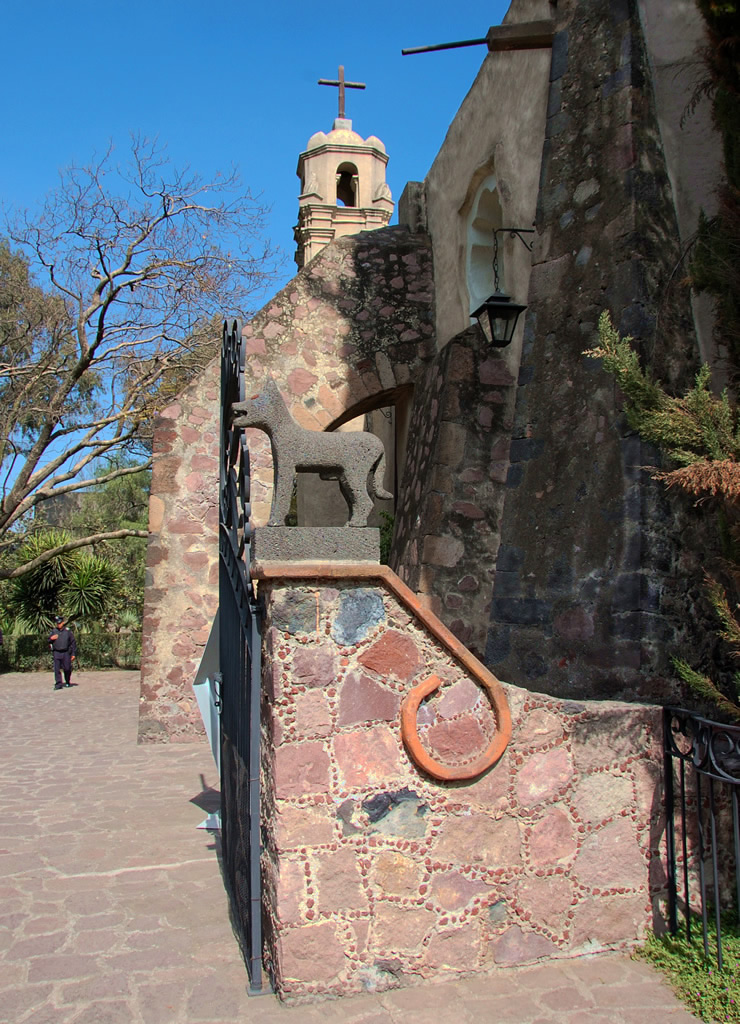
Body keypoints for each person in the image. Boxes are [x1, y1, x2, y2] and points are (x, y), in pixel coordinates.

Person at [49, 615, 76, 690]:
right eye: (57, 623)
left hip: (66, 652)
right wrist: (51, 638)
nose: (59, 625)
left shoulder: (68, 631)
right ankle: (58, 684)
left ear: (63, 623)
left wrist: (73, 653)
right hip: (56, 652)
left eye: (60, 623)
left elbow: (73, 642)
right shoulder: (54, 631)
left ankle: (67, 681)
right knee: (57, 669)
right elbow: (48, 640)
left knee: (67, 668)